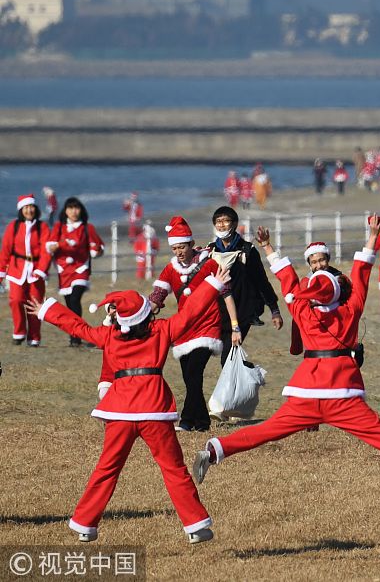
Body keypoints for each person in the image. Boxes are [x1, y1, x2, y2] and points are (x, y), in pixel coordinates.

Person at [192, 218, 380, 491]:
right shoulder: (351, 308)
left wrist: (268, 248)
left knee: (266, 431)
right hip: (342, 392)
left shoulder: (302, 309)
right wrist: (371, 235)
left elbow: (287, 280)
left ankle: (214, 450)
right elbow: (362, 271)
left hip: (307, 391)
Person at [27, 265, 229, 544]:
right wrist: (212, 285)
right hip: (154, 410)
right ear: (146, 314)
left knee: (107, 468)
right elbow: (191, 312)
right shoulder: (162, 329)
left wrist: (48, 311)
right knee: (173, 469)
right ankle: (195, 525)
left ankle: (85, 523)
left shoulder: (109, 336)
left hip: (120, 410)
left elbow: (78, 327)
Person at [150, 217, 236, 432]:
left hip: (208, 326)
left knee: (194, 372)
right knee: (189, 376)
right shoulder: (171, 269)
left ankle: (188, 421)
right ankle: (201, 422)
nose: (178, 252)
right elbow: (157, 296)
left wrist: (235, 325)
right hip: (184, 329)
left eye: (182, 247)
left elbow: (226, 294)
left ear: (191, 243)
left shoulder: (209, 264)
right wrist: (138, 314)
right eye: (175, 248)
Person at [207, 206, 283, 365]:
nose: (221, 225)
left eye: (226, 221)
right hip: (217, 313)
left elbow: (261, 281)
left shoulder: (248, 251)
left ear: (234, 224)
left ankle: (242, 384)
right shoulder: (210, 251)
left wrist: (274, 310)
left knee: (228, 359)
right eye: (218, 222)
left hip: (243, 311)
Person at [46, 197, 105, 347]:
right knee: (69, 307)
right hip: (64, 270)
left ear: (81, 210)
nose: (73, 211)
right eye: (70, 208)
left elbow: (99, 246)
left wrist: (96, 250)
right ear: (65, 210)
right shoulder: (59, 227)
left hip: (81, 268)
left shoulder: (87, 227)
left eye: (76, 208)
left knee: (74, 300)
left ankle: (78, 336)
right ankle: (76, 336)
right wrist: (61, 244)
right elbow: (50, 247)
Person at [0, 195, 52, 347]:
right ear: (21, 209)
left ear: (35, 208)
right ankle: (19, 332)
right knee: (15, 300)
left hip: (36, 272)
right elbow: (5, 251)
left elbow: (46, 251)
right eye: (26, 207)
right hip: (17, 271)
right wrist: (1, 272)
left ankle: (34, 337)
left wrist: (41, 270)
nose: (29, 210)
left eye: (31, 207)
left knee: (35, 305)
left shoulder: (42, 227)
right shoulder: (13, 226)